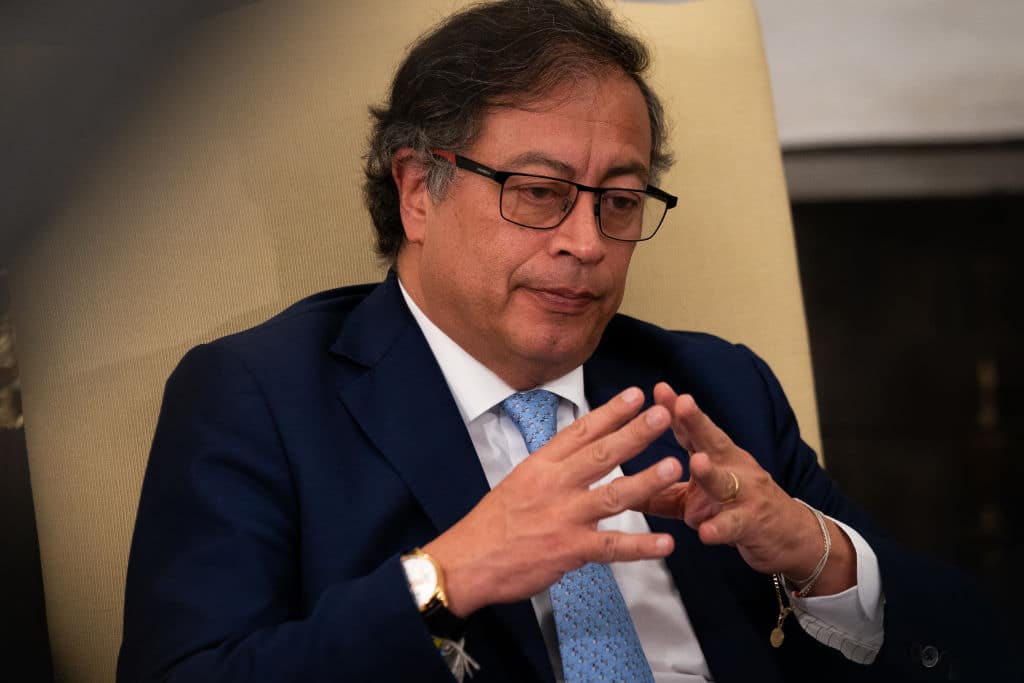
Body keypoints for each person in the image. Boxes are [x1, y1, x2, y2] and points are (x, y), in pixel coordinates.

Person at [118, 1, 1012, 681]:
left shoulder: (714, 388)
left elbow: (978, 650)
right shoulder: (261, 398)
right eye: (539, 192)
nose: (585, 242)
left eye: (618, 201)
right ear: (417, 191)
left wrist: (820, 554)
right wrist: (448, 575)